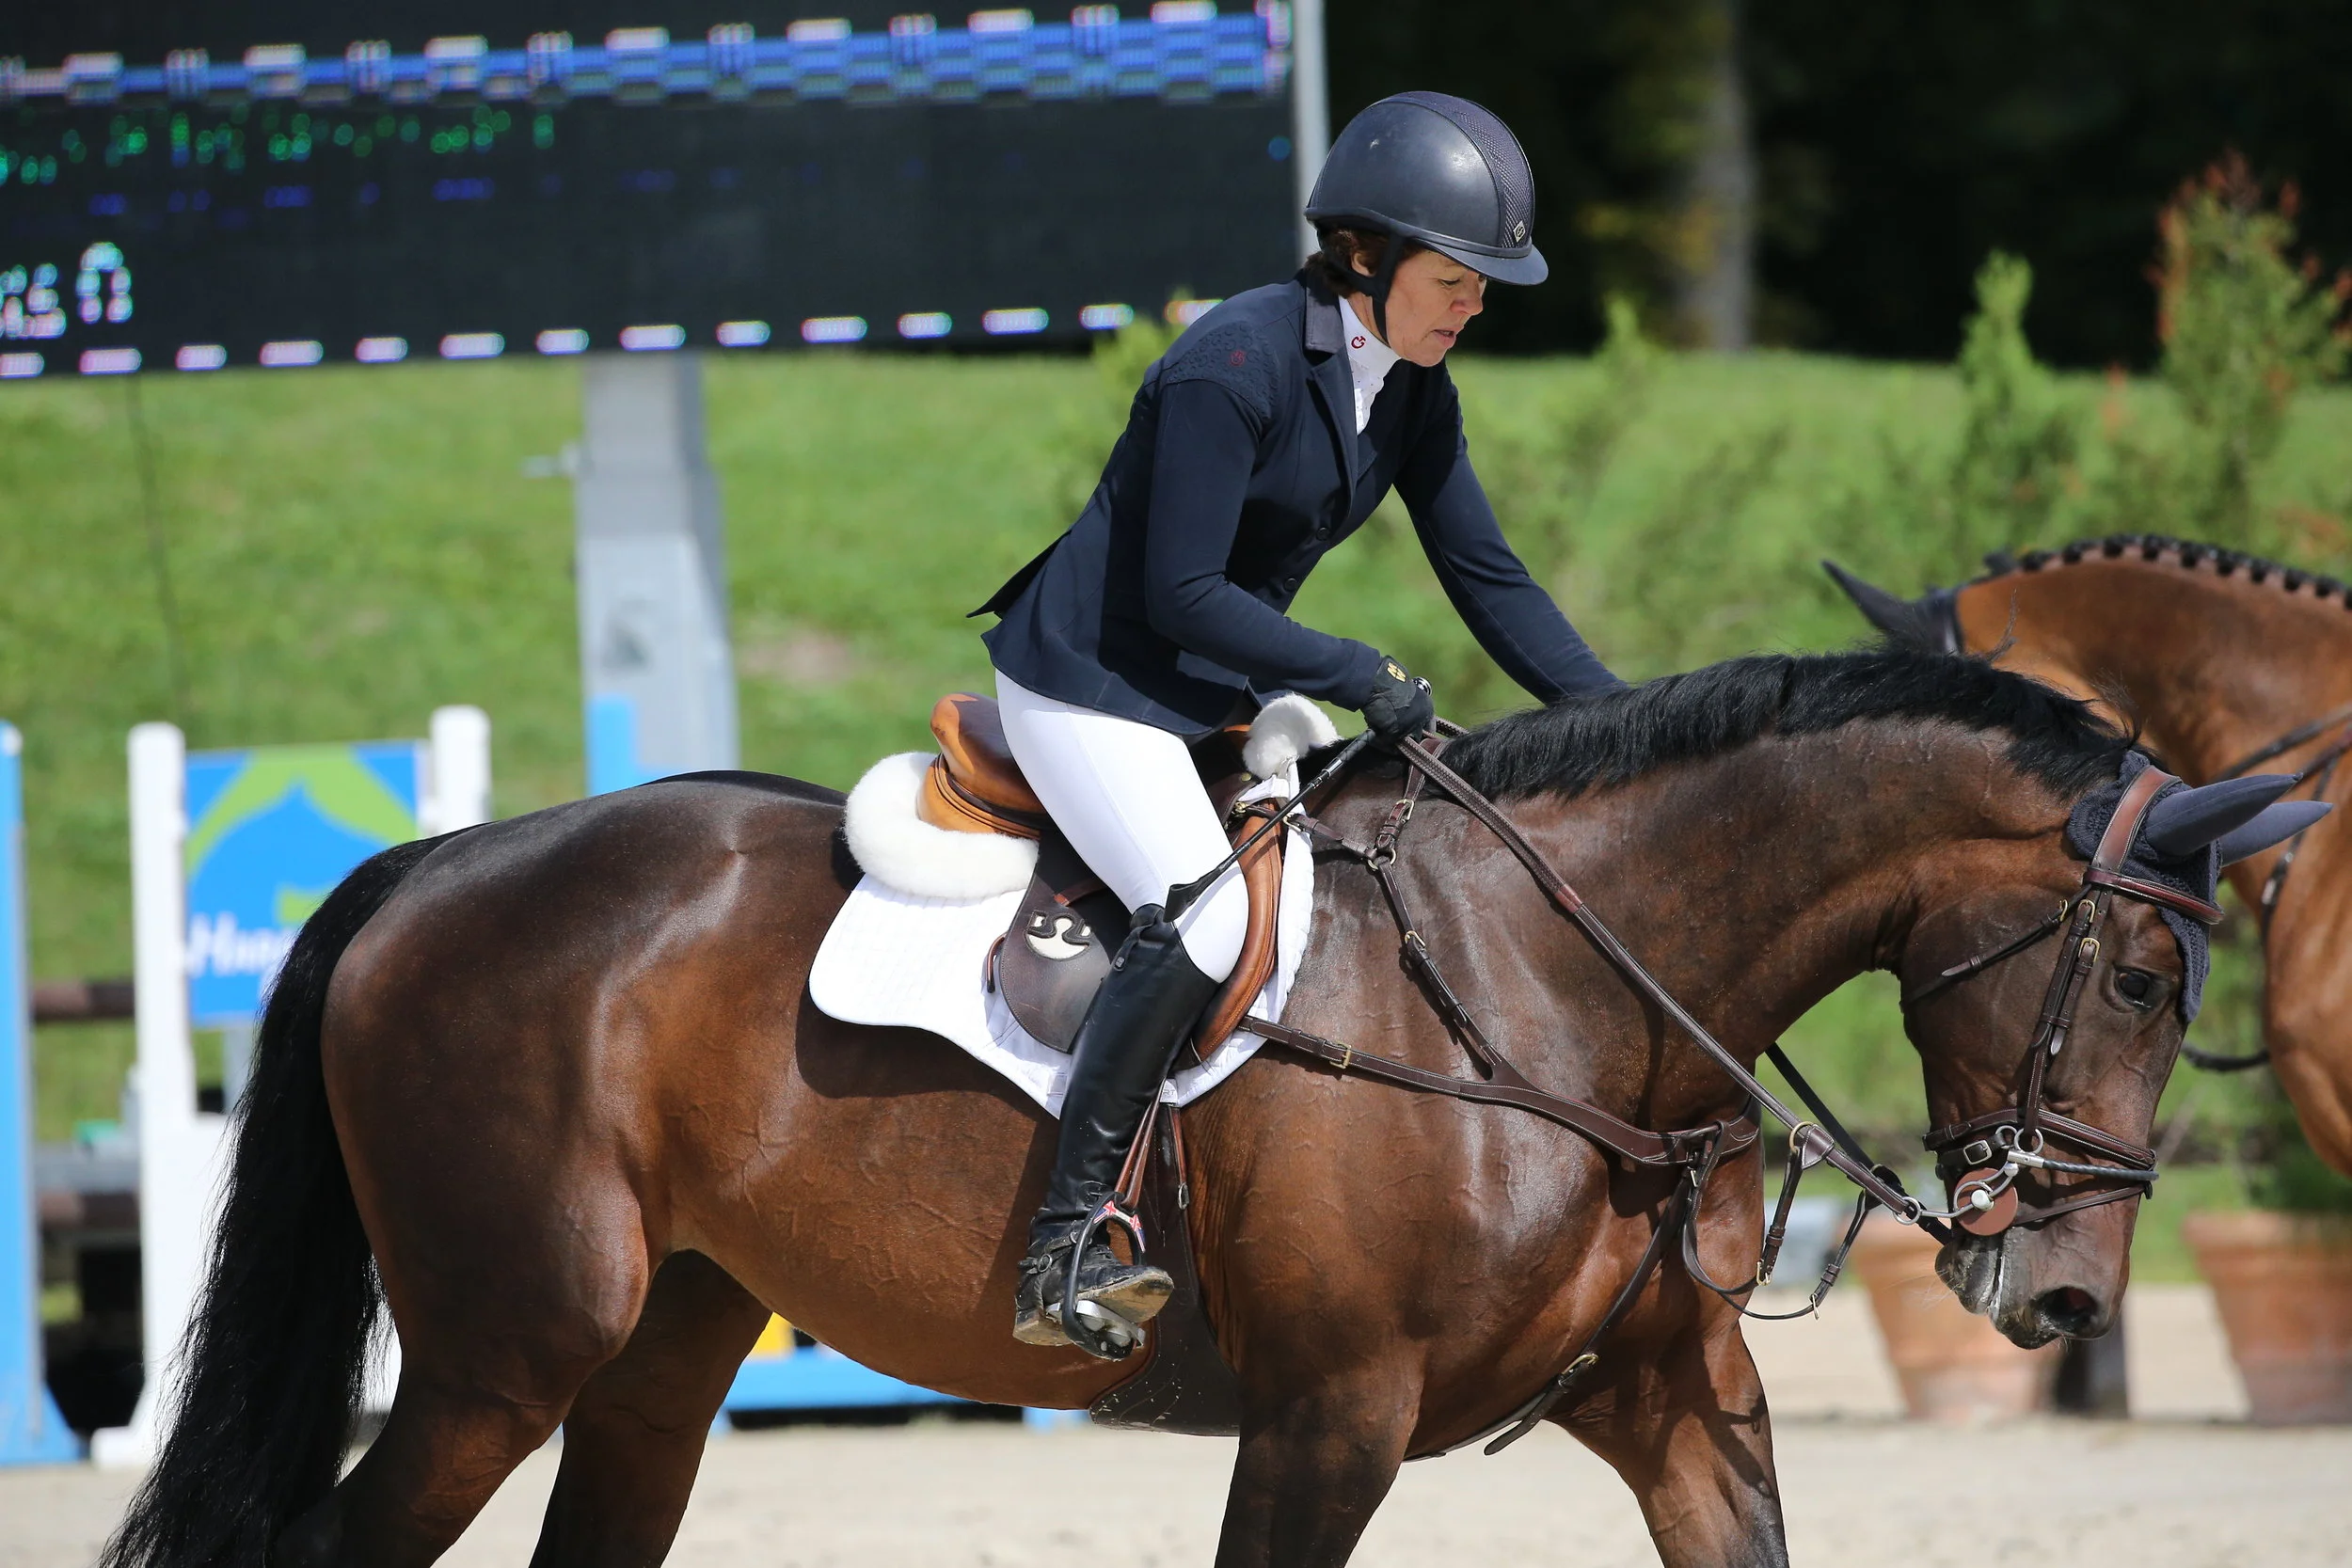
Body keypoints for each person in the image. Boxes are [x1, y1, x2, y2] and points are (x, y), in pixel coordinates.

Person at [972, 91, 1625, 1355]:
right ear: (1367, 256)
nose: (1473, 306)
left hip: (1202, 687)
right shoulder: (1236, 361)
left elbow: (1490, 579)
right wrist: (1351, 668)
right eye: (1455, 278)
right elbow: (1178, 590)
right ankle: (1063, 1245)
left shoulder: (1414, 388)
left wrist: (1628, 718)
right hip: (1090, 683)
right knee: (1208, 914)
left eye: (1487, 287)